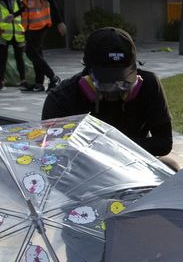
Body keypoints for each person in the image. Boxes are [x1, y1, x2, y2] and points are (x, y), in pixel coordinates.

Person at [42, 27, 174, 161]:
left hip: (133, 162)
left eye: (124, 82)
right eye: (106, 82)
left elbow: (164, 142)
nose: (116, 89)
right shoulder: (62, 98)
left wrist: (112, 147)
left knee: (171, 165)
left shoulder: (148, 84)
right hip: (82, 167)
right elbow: (51, 152)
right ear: (88, 71)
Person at [12, 0, 63, 92]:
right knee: (37, 53)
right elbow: (26, 8)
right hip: (31, 25)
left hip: (41, 24)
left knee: (30, 52)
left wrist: (60, 22)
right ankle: (39, 84)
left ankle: (53, 78)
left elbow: (52, 3)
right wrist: (14, 15)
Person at [0, 0, 26, 90]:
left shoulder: (18, 0)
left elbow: (25, 8)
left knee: (19, 57)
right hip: (2, 33)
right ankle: (1, 81)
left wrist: (14, 15)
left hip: (17, 33)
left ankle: (23, 80)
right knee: (2, 58)